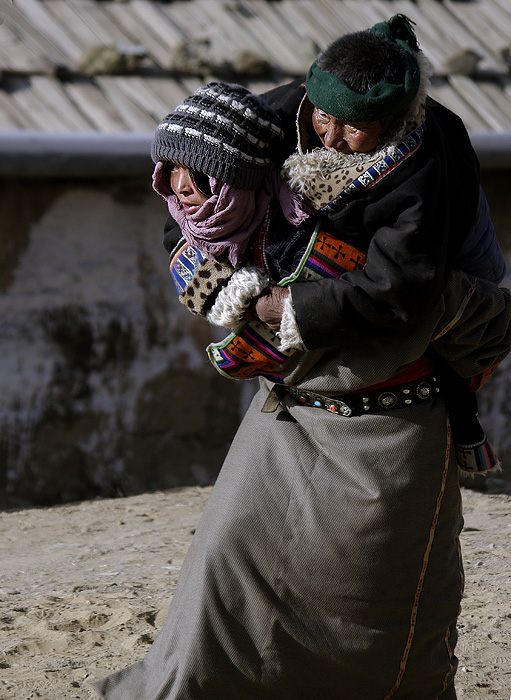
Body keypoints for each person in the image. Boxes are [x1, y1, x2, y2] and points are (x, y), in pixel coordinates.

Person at [93, 16, 511, 700]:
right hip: (295, 391)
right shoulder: (282, 114)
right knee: (228, 561)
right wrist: (214, 270)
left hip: (403, 373)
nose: (331, 136)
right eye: (323, 117)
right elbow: (189, 192)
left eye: (354, 129)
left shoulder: (430, 153)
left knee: (375, 595)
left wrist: (273, 308)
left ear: (399, 116)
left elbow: (400, 292)